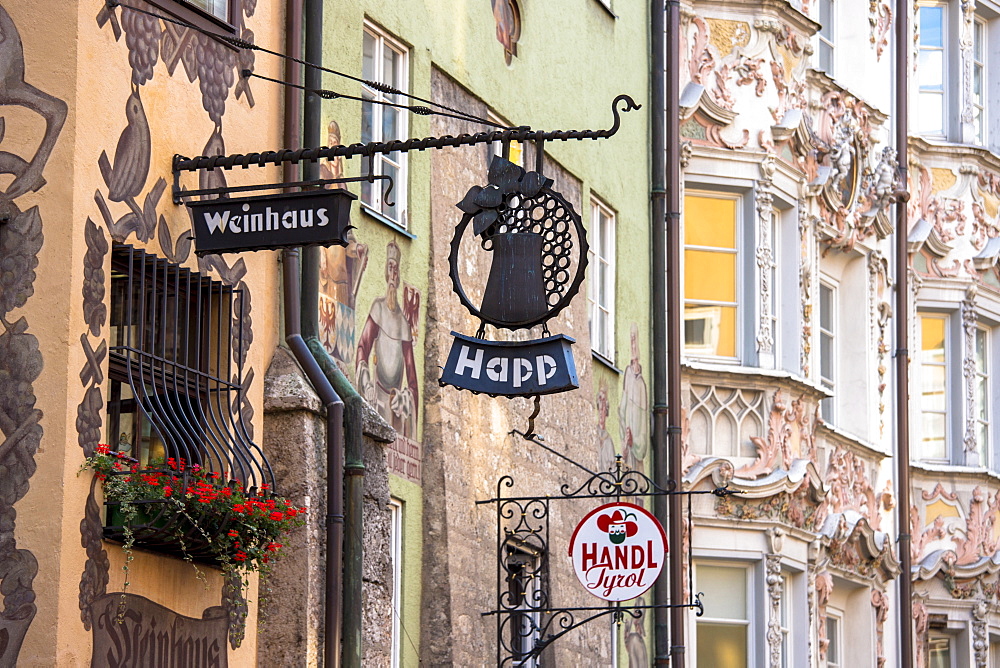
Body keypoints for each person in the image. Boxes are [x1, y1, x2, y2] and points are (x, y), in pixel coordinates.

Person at [356, 241, 419, 437]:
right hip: (375, 395)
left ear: (399, 276)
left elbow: (412, 379)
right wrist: (366, 384)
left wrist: (405, 398)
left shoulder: (404, 324)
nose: (393, 274)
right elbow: (362, 349)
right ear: (385, 272)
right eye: (390, 268)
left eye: (396, 270)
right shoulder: (378, 308)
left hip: (395, 407)